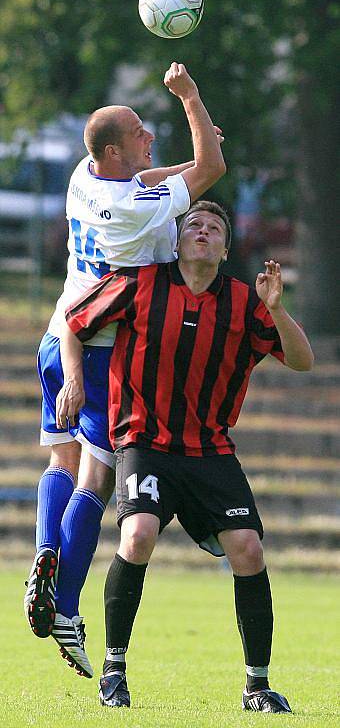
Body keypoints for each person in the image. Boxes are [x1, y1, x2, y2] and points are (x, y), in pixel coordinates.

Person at [56, 199, 314, 712]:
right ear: (175, 242)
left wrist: (278, 309)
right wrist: (73, 379)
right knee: (138, 533)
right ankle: (114, 672)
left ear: (225, 248)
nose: (202, 231)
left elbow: (303, 362)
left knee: (249, 549)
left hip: (210, 451)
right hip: (145, 443)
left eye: (214, 227)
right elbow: (73, 323)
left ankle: (257, 686)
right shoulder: (140, 282)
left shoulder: (246, 303)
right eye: (193, 224)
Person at [23, 63, 226, 678]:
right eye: (141, 133)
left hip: (57, 337)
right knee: (97, 481)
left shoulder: (85, 176)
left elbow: (152, 177)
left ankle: (43, 555)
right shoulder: (135, 209)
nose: (151, 139)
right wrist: (190, 97)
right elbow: (210, 171)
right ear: (116, 150)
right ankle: (65, 606)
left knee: (58, 464)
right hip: (103, 349)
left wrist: (173, 168)